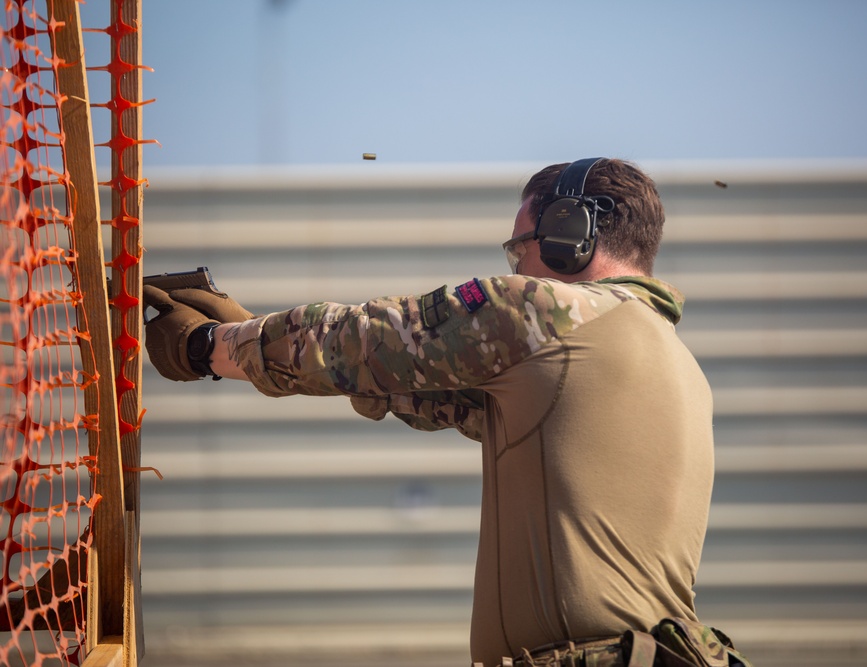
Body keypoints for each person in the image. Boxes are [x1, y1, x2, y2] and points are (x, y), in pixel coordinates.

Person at [143, 158, 752, 667]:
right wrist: (254, 342)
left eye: (522, 245)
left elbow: (362, 340)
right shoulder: (675, 362)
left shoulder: (549, 309)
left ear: (572, 232)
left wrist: (203, 348)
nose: (515, 264)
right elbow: (401, 383)